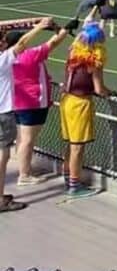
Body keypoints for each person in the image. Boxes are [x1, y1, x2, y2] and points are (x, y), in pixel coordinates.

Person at [11, 16, 76, 186]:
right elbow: (53, 43)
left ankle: (24, 168)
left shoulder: (7, 57)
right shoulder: (30, 55)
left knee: (21, 138)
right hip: (33, 102)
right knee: (28, 140)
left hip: (18, 102)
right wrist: (66, 29)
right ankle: (24, 175)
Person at [0, 18, 54, 212]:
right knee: (3, 154)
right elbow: (21, 44)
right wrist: (38, 27)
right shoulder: (3, 58)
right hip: (3, 112)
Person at [61, 6, 113, 198]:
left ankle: (68, 178)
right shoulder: (94, 62)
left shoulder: (74, 50)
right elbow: (99, 89)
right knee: (77, 146)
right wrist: (110, 93)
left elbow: (85, 29)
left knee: (69, 144)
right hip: (80, 104)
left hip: (66, 101)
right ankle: (74, 186)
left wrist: (95, 9)